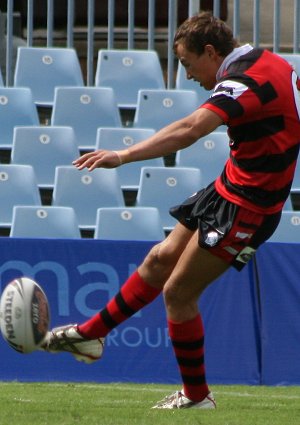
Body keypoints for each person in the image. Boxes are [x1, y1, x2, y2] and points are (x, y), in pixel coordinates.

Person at [42, 12, 300, 409]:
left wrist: (123, 155)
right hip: (228, 187)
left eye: (186, 63)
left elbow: (191, 129)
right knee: (160, 259)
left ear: (211, 52)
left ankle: (197, 397)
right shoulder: (271, 61)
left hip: (249, 208)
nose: (187, 74)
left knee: (178, 293)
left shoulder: (249, 81)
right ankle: (90, 335)